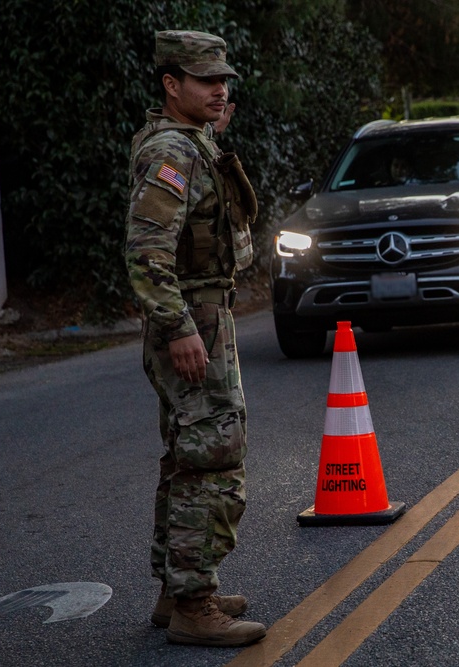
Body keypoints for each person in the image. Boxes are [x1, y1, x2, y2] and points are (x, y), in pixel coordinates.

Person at [123, 30, 264, 648]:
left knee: (187, 453)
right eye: (205, 80)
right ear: (170, 85)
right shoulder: (171, 155)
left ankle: (173, 591)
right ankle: (192, 603)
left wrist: (213, 133)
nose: (219, 88)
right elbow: (147, 251)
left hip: (205, 312)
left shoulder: (191, 143)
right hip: (192, 316)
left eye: (224, 79)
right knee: (212, 456)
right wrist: (180, 328)